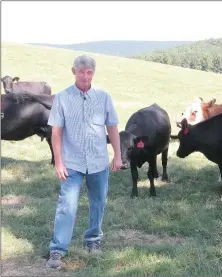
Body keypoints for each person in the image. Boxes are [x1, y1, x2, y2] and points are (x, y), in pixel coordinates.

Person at [45, 55, 123, 269]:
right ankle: (57, 249)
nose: (86, 76)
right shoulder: (62, 98)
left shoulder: (103, 97)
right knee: (66, 205)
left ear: (93, 73)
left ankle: (93, 239)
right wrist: (59, 162)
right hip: (72, 163)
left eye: (89, 72)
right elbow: (56, 133)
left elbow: (113, 128)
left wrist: (117, 155)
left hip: (98, 161)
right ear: (74, 71)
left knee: (98, 202)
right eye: (82, 72)